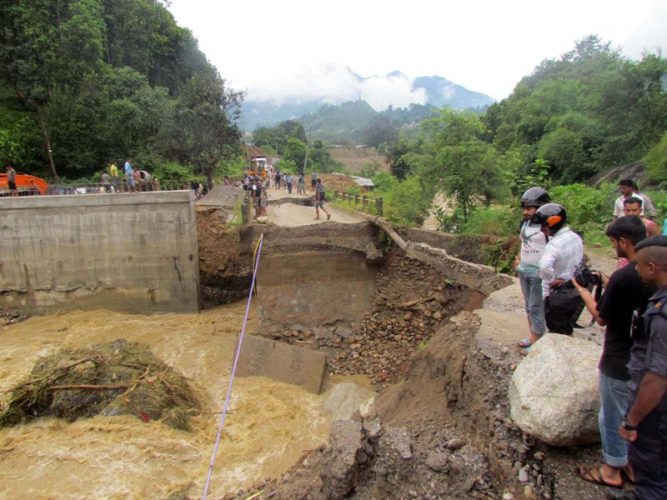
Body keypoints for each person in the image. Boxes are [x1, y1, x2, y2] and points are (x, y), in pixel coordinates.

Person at [573, 216, 652, 489]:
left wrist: (583, 291)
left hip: (618, 358)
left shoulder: (623, 276)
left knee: (612, 415)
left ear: (624, 241)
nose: (613, 247)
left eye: (613, 242)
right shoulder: (653, 272)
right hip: (645, 358)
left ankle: (611, 470)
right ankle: (631, 465)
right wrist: (606, 281)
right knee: (634, 414)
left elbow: (602, 317)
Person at [619, 235, 667, 499]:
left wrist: (632, 420)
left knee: (654, 469)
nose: (633, 269)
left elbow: (658, 376)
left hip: (656, 411)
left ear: (652, 267)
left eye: (637, 264)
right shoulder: (659, 300)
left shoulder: (662, 315)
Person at [532, 203, 584, 334]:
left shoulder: (554, 245)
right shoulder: (575, 237)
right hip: (574, 288)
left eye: (543, 225)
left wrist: (550, 280)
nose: (542, 229)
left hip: (557, 293)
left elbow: (544, 266)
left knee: (555, 326)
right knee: (566, 324)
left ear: (553, 223)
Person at [514, 187, 550, 351]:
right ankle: (533, 335)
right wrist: (519, 258)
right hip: (524, 270)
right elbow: (523, 242)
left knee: (536, 305)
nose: (525, 212)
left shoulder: (547, 227)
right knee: (529, 305)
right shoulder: (526, 224)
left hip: (538, 272)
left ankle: (537, 339)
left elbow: (554, 249)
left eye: (529, 208)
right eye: (524, 208)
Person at [617, 197, 661, 269]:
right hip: (624, 262)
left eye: (634, 210)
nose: (631, 213)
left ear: (640, 210)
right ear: (624, 210)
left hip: (643, 262)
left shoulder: (649, 225)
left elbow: (658, 245)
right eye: (628, 210)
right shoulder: (619, 224)